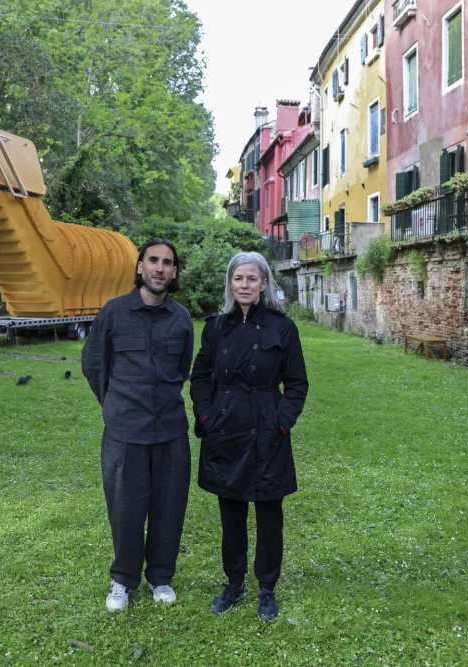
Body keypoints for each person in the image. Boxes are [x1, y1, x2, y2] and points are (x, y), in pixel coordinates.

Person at [190, 251, 308, 622]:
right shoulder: (215, 327)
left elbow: (297, 383)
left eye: (252, 279)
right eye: (238, 278)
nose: (244, 285)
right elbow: (199, 376)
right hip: (225, 428)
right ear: (230, 283)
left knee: (270, 514)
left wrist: (281, 421)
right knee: (231, 513)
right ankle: (234, 582)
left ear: (264, 284)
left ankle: (267, 588)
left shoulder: (282, 327)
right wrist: (206, 415)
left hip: (267, 430)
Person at [81, 238, 194, 612]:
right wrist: (117, 405)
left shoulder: (180, 319)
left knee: (169, 508)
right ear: (140, 267)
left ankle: (160, 577)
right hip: (125, 433)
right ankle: (122, 580)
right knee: (126, 509)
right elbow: (95, 366)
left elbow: (182, 370)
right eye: (153, 261)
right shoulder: (113, 313)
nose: (160, 268)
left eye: (167, 263)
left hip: (171, 432)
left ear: (174, 272)